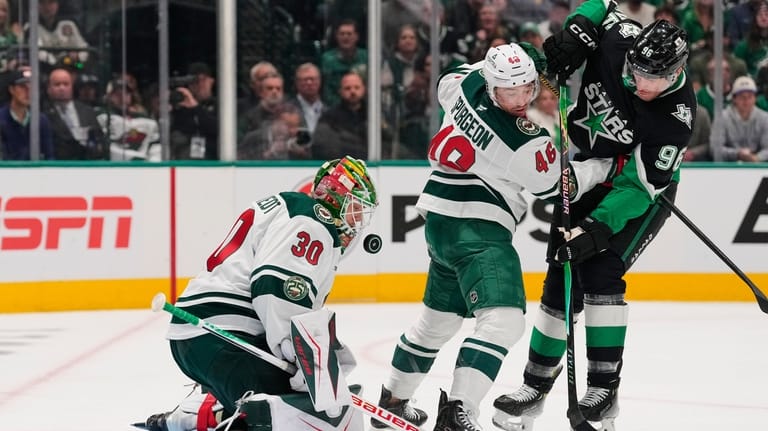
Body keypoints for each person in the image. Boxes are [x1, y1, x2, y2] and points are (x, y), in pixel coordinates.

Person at [372, 42, 614, 431]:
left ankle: (393, 400)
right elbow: (558, 187)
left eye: (527, 88)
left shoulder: (465, 84)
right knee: (503, 323)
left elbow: (447, 79)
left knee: (436, 323)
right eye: (509, 91)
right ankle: (458, 411)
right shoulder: (524, 140)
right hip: (478, 228)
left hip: (439, 222)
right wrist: (601, 168)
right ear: (492, 85)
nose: (520, 99)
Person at [492, 4, 696, 431]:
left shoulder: (675, 118)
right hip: (586, 168)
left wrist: (597, 228)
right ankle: (534, 388)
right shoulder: (623, 41)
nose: (641, 83)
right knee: (558, 278)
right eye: (637, 71)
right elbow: (602, 6)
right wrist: (577, 32)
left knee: (600, 269)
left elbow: (641, 187)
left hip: (638, 191)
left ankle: (604, 390)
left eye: (653, 78)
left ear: (676, 72)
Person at [143, 156, 378, 431]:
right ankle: (206, 416)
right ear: (336, 197)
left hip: (207, 335)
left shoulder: (295, 210)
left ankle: (197, 414)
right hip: (223, 337)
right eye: (356, 209)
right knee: (295, 418)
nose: (359, 221)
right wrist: (303, 360)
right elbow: (277, 291)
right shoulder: (314, 220)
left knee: (286, 405)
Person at [44, 66, 108, 160]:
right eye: (57, 84)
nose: (62, 88)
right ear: (49, 89)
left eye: (66, 84)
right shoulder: (43, 114)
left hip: (87, 165)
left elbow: (99, 140)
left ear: (72, 87)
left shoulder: (88, 111)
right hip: (59, 165)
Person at [710, 75, 768, 162]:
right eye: (742, 97)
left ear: (755, 98)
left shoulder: (764, 118)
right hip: (729, 166)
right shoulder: (722, 117)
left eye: (750, 96)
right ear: (734, 99)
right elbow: (715, 148)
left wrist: (756, 158)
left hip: (757, 166)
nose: (746, 101)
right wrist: (737, 154)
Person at [0, 68, 55, 160]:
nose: (28, 91)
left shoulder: (41, 120)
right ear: (11, 89)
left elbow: (49, 156)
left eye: (32, 87)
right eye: (22, 86)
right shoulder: (1, 119)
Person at [170, 62, 219, 160]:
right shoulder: (181, 108)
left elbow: (218, 129)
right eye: (195, 81)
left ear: (211, 81)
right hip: (186, 158)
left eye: (203, 80)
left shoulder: (221, 105)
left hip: (213, 159)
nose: (200, 85)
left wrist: (195, 107)